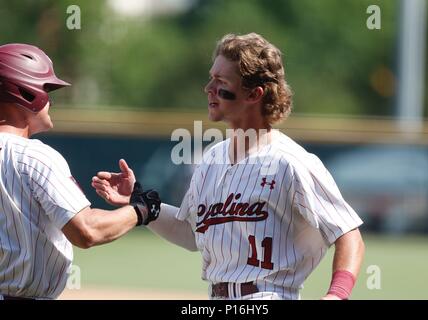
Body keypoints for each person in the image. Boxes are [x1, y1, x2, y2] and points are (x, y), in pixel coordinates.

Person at [92, 33, 365, 300]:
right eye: (211, 78)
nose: (208, 88)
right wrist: (138, 198)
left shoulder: (290, 162)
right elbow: (190, 233)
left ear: (254, 94)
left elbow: (348, 233)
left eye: (220, 81)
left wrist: (337, 294)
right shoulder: (211, 159)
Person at [0, 43, 160, 300]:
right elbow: (87, 231)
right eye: (45, 89)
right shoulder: (34, 157)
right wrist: (141, 209)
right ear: (25, 92)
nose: (50, 99)